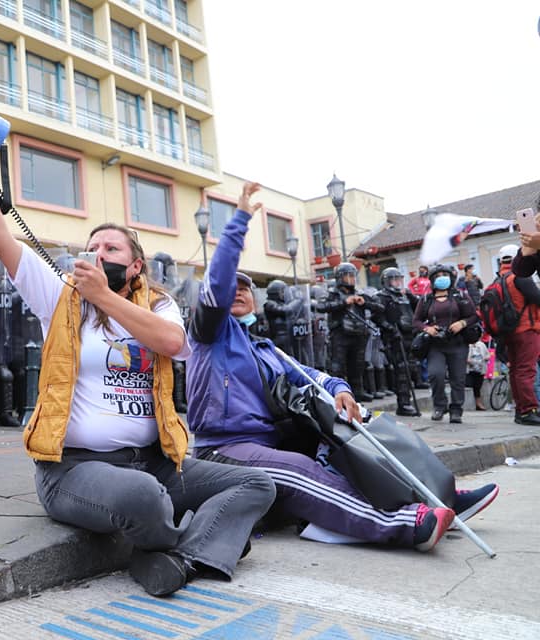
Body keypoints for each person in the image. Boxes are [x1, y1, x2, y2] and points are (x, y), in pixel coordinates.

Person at [0, 127, 276, 598]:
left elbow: (172, 342)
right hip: (76, 470)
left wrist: (104, 296)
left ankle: (179, 558)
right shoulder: (61, 298)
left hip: (153, 462)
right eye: (94, 247)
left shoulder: (157, 304)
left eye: (112, 249)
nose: (98, 254)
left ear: (136, 266)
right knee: (144, 498)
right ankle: (203, 542)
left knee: (256, 485)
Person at [186, 182, 497, 553]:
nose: (237, 290)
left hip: (270, 437)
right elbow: (217, 284)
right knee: (297, 469)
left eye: (246, 288)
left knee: (361, 428)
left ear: (254, 301)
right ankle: (397, 524)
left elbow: (310, 375)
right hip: (225, 448)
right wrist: (238, 223)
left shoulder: (266, 348)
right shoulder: (209, 333)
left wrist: (340, 390)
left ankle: (437, 493)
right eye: (231, 287)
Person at [412, 264, 478, 423]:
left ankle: (456, 410)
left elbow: (473, 316)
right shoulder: (426, 299)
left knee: (458, 378)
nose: (442, 277)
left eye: (445, 274)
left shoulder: (460, 296)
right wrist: (427, 328)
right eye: (438, 275)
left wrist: (461, 323)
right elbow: (416, 321)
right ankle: (439, 406)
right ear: (432, 279)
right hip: (435, 345)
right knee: (436, 375)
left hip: (458, 343)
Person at [316, 262, 382, 402]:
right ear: (340, 277)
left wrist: (364, 303)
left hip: (359, 333)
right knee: (337, 366)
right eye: (348, 276)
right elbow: (321, 307)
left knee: (357, 365)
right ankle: (337, 393)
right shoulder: (332, 293)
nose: (352, 279)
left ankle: (358, 392)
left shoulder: (359, 293)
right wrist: (344, 302)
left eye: (353, 275)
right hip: (340, 334)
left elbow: (379, 307)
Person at [491, 245, 540, 425]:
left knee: (516, 371)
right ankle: (529, 410)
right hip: (527, 328)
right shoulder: (520, 276)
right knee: (526, 371)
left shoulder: (499, 279)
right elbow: (537, 298)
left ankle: (521, 410)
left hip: (509, 332)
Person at [374, 267, 421, 416]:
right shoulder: (382, 296)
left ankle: (406, 402)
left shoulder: (405, 295)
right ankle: (404, 404)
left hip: (408, 335)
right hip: (394, 338)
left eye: (398, 279)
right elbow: (377, 316)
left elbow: (418, 307)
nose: (397, 282)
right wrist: (390, 329)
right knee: (401, 370)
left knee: (410, 369)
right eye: (393, 279)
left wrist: (410, 295)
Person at [466, 338, 489, 411]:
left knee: (477, 387)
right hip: (469, 369)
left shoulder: (481, 345)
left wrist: (485, 358)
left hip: (480, 369)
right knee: (468, 385)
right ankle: (470, 404)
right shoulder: (466, 345)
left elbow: (488, 355)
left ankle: (478, 403)